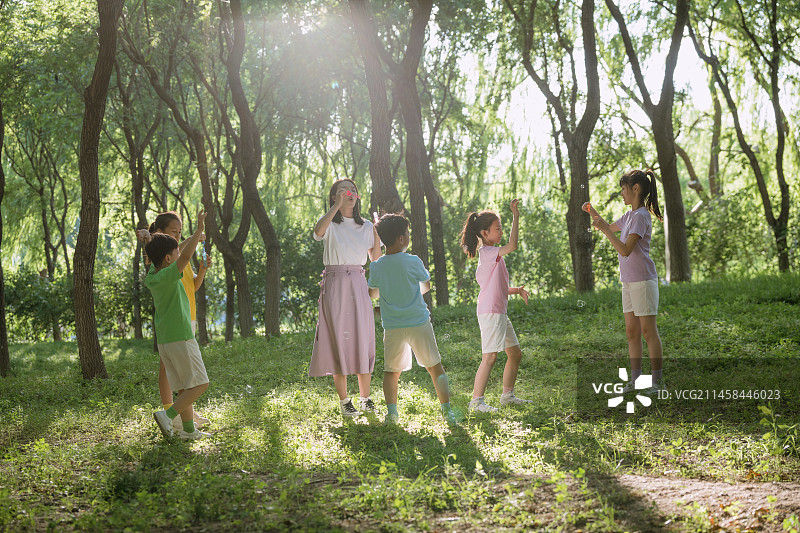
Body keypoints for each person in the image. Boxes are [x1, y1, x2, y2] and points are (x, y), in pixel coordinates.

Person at [367, 214, 456, 425]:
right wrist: (410, 290)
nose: (408, 237)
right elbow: (426, 285)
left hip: (393, 326)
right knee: (435, 367)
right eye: (407, 234)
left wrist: (389, 291)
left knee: (391, 371)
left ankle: (392, 414)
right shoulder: (413, 261)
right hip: (418, 322)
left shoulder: (378, 265)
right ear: (401, 238)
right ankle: (447, 411)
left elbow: (373, 293)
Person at [584, 168, 664, 395]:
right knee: (632, 332)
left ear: (635, 188)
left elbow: (625, 250)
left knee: (649, 332)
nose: (621, 194)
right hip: (628, 282)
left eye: (623, 189)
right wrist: (593, 212)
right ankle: (636, 380)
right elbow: (608, 227)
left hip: (643, 282)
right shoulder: (629, 216)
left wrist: (604, 231)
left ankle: (657, 383)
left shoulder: (641, 217)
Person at [310, 179, 381, 417]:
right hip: (335, 281)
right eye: (343, 191)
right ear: (334, 197)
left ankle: (366, 397)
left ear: (358, 197)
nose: (350, 193)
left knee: (363, 335)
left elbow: (376, 259)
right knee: (337, 337)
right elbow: (318, 232)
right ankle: (344, 401)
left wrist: (377, 232)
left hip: (358, 282)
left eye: (353, 190)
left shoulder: (367, 225)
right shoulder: (330, 223)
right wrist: (335, 207)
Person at [137, 211, 212, 433]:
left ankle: (188, 430)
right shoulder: (170, 274)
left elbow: (156, 254)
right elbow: (186, 256)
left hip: (166, 339)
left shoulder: (154, 275)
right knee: (200, 384)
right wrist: (199, 229)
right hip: (181, 336)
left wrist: (150, 240)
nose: (180, 250)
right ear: (169, 259)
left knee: (182, 386)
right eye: (176, 250)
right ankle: (167, 416)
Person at [459, 199, 531, 413]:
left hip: (498, 311)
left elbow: (497, 287)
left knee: (515, 353)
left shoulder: (492, 255)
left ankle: (507, 395)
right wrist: (516, 216)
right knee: (490, 357)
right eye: (497, 229)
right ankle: (476, 402)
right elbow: (513, 246)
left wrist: (516, 290)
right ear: (484, 232)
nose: (501, 232)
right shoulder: (489, 253)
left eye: (501, 228)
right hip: (491, 313)